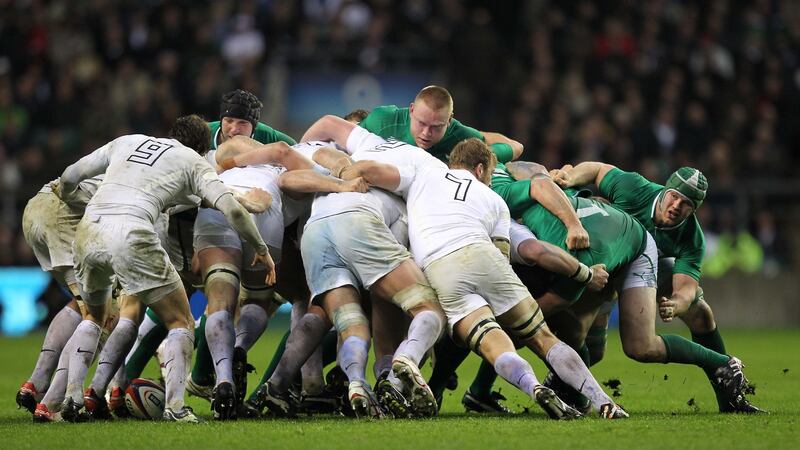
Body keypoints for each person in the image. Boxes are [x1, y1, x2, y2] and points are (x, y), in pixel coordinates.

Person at [306, 119, 628, 419]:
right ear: (480, 168)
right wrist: (584, 274)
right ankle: (603, 402)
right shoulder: (494, 200)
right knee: (542, 337)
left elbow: (368, 169)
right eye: (489, 173)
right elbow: (506, 256)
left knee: (488, 341)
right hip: (480, 252)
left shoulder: (425, 174)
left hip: (438, 267)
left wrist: (348, 175)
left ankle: (532, 387)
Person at [53, 114, 274, 423]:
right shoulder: (194, 161)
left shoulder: (129, 140)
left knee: (93, 317)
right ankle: (176, 407)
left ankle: (74, 398)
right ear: (201, 146)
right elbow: (232, 209)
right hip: (132, 231)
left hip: (90, 229)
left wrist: (70, 198)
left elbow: (69, 175)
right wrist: (261, 248)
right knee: (181, 320)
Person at [488, 162, 758, 414]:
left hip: (635, 260)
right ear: (665, 190)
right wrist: (573, 176)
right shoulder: (635, 188)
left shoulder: (691, 238)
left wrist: (677, 302)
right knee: (590, 347)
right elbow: (596, 170)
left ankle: (726, 379)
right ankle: (564, 384)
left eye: (687, 204)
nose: (677, 205)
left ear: (695, 210)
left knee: (696, 312)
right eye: (674, 196)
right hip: (610, 259)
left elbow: (687, 285)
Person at [359, 85, 523, 163]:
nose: (425, 133)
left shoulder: (458, 134)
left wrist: (477, 159)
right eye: (421, 123)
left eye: (436, 127)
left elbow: (516, 147)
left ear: (449, 120)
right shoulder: (383, 120)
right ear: (411, 110)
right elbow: (341, 140)